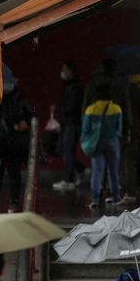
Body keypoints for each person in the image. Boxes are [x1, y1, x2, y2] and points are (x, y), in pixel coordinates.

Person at [0, 82, 33, 213]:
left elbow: (29, 117)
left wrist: (24, 123)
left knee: (14, 172)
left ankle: (13, 201)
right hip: (0, 141)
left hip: (15, 142)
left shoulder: (20, 100)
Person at [81, 83, 123, 210]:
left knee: (97, 171)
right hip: (112, 142)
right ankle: (116, 197)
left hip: (96, 143)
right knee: (113, 171)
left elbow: (85, 129)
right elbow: (119, 128)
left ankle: (95, 199)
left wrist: (84, 141)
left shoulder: (90, 109)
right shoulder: (116, 109)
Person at [53, 61, 85, 191]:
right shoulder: (68, 86)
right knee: (63, 150)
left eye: (65, 70)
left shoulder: (75, 88)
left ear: (71, 71)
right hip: (67, 124)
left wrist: (63, 111)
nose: (63, 73)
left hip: (72, 124)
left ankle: (69, 180)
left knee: (67, 152)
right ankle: (80, 169)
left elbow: (73, 107)